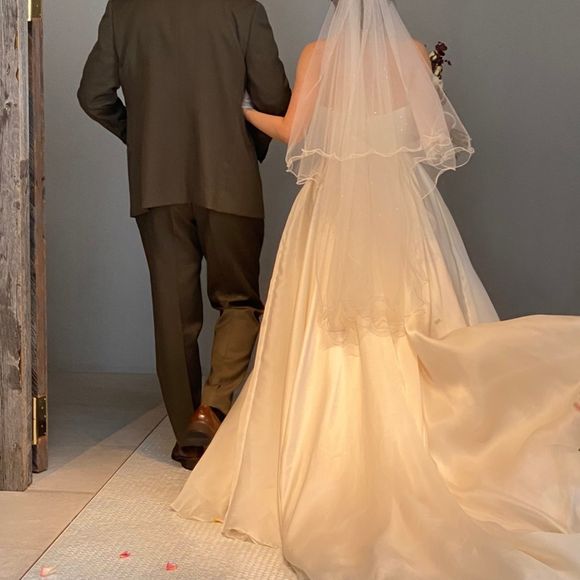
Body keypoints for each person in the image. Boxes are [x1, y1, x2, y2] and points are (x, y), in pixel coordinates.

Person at [173, 0, 580, 577]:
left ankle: (328, 450)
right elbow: (433, 136)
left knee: (321, 327)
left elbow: (295, 133)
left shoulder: (318, 54)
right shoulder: (411, 53)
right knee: (421, 317)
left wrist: (244, 111)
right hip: (403, 210)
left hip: (330, 212)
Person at [77, 0, 291, 470]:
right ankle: (211, 409)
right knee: (238, 300)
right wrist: (244, 147)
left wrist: (143, 139)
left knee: (173, 314)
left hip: (156, 184)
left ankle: (188, 437)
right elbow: (275, 98)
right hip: (230, 180)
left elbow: (93, 95)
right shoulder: (243, 8)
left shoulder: (124, 9)